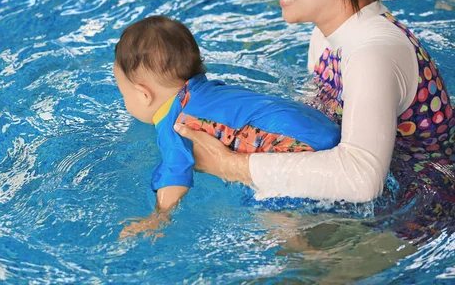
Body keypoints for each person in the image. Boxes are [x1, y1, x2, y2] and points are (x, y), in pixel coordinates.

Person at [173, 0, 455, 241]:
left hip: (418, 214)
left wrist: (230, 165)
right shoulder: (328, 35)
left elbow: (361, 178)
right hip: (376, 193)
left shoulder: (373, 53)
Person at [114, 15, 341, 238]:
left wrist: (159, 215)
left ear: (144, 95)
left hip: (301, 147)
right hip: (324, 127)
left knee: (267, 212)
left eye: (123, 93)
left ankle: (306, 254)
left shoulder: (175, 122)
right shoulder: (209, 91)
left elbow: (175, 172)